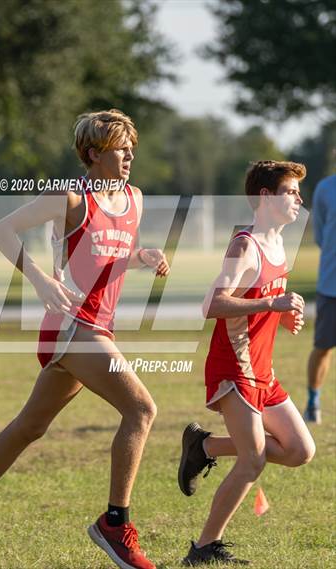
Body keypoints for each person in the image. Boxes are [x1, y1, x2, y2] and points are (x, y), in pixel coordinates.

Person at [0, 109, 170, 569]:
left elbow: (109, 261)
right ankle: (114, 525)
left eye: (131, 149)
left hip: (99, 325)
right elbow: (1, 230)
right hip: (70, 325)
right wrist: (40, 279)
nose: (129, 157)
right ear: (94, 154)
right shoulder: (71, 199)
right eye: (121, 149)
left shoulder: (134, 199)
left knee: (30, 427)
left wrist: (143, 256)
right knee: (141, 409)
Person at [177, 161, 316, 565]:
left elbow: (260, 302)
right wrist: (271, 302)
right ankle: (203, 548)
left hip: (262, 371)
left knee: (299, 451)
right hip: (232, 368)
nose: (298, 198)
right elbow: (212, 304)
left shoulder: (279, 245)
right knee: (252, 458)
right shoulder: (245, 245)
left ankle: (204, 446)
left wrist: (282, 313)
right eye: (290, 191)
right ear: (264, 197)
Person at [304, 174, 336, 424]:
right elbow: (320, 237)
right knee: (323, 346)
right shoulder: (325, 188)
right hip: (331, 284)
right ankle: (313, 401)